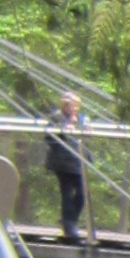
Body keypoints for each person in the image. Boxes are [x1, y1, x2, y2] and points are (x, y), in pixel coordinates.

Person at [43, 90, 90, 249]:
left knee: (82, 194)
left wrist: (84, 129)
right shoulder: (56, 118)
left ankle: (69, 222)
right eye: (70, 105)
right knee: (67, 195)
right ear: (64, 105)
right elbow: (48, 137)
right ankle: (70, 229)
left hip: (79, 162)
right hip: (62, 163)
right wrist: (63, 130)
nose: (74, 109)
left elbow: (88, 136)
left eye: (76, 106)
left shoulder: (82, 119)